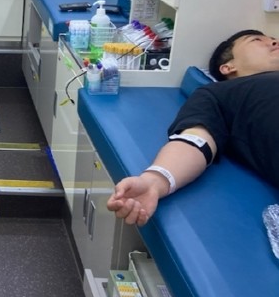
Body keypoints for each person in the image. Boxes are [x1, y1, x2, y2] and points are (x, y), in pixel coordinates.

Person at [107, 29, 279, 226]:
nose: (274, 42)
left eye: (274, 39)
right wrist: (154, 181)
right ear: (228, 67)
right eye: (257, 40)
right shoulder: (221, 94)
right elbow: (194, 141)